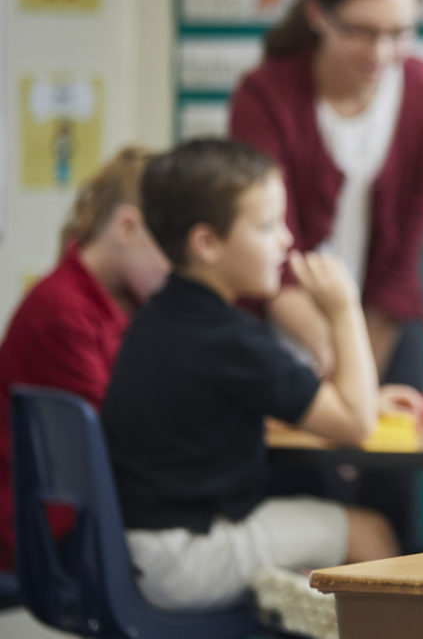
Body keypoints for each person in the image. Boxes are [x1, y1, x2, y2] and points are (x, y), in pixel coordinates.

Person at [101, 138, 397, 614]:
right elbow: (356, 424)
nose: (285, 240)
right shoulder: (229, 338)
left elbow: (304, 405)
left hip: (143, 548)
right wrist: (343, 309)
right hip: (187, 558)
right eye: (266, 226)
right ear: (207, 244)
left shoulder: (165, 314)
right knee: (371, 533)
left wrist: (356, 397)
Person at [229, 0, 423, 388]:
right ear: (318, 14)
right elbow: (275, 249)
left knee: (383, 456)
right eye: (361, 31)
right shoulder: (264, 97)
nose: (381, 52)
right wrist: (331, 357)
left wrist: (358, 376)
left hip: (385, 328)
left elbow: (402, 261)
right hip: (277, 318)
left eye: (401, 32)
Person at [0, 148, 169, 571]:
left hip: (82, 518)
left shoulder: (125, 303)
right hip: (45, 530)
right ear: (128, 226)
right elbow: (121, 442)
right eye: (174, 249)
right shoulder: (62, 311)